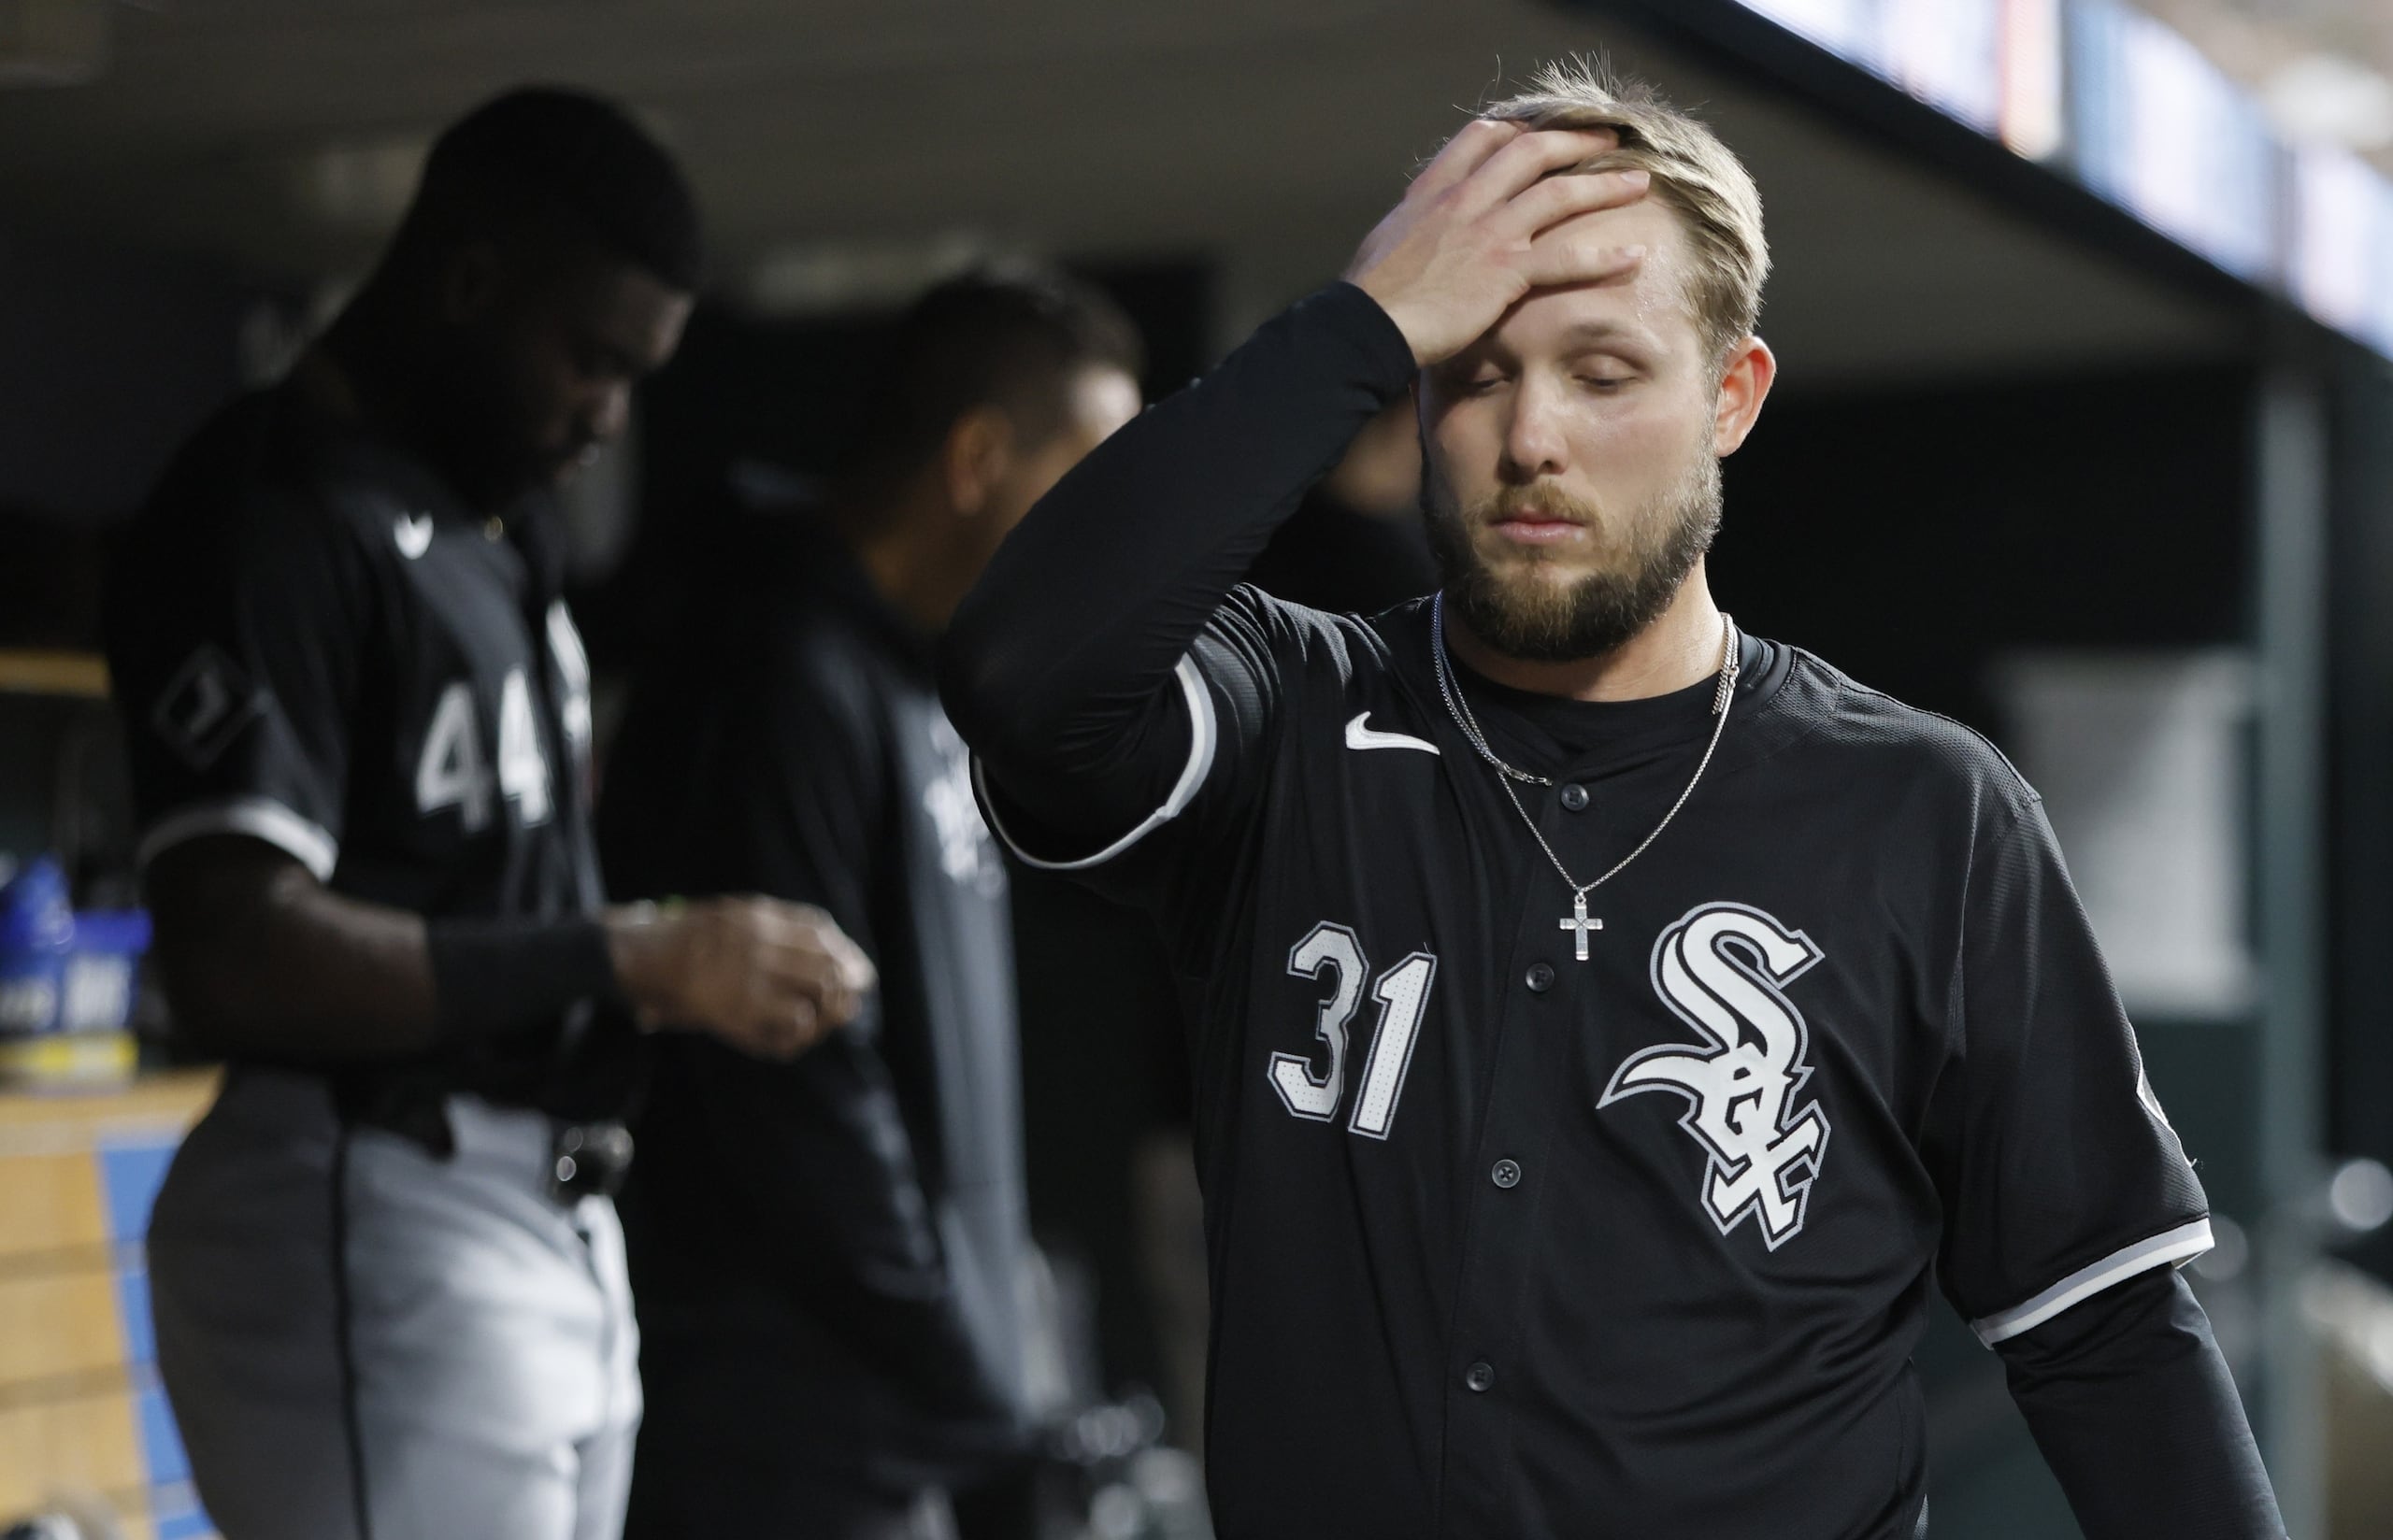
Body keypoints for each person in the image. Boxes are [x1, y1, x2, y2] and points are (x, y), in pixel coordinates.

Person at [939, 61, 2286, 1540]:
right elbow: (1022, 675)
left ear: (1731, 396)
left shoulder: (1923, 813)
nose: (1532, 441)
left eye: (1603, 372)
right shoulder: (1294, 715)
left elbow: (2107, 1334)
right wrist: (1365, 320)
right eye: (1474, 371)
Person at [104, 87, 874, 1540]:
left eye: (638, 375)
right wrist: (636, 955)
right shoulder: (274, 515)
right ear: (468, 281)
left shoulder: (494, 530)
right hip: (373, 1188)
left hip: (540, 1216)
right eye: (588, 360)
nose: (606, 416)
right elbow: (235, 947)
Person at [598, 266, 1143, 1540]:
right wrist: (961, 1363)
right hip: (777, 1426)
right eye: (1086, 487)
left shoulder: (922, 678)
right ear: (976, 457)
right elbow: (797, 1097)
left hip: (892, 1420)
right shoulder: (779, 673)